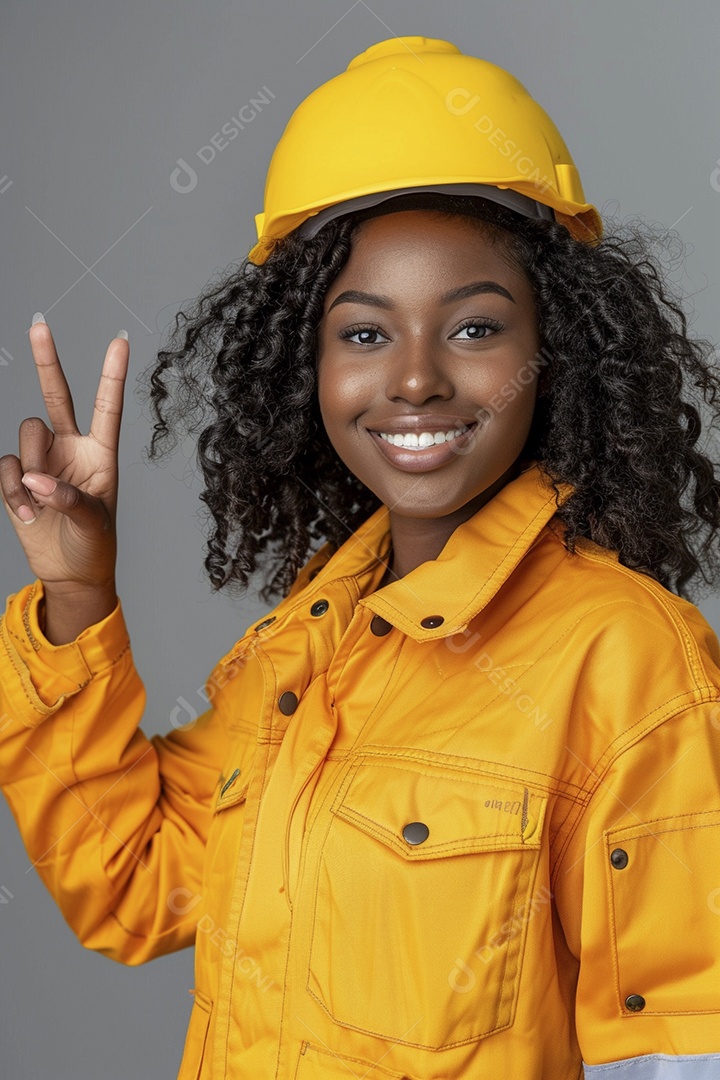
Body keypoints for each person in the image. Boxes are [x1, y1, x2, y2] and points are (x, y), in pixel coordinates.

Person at [1, 33, 720, 1080]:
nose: (417, 381)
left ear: (554, 352)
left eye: (474, 331)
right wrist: (75, 594)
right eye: (367, 334)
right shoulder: (311, 643)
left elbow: (681, 1054)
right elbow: (133, 885)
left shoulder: (631, 661)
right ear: (309, 365)